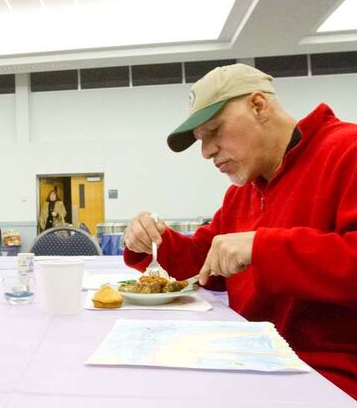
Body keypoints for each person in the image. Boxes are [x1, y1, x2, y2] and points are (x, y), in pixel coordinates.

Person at [123, 63, 357, 399]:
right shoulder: (242, 193)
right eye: (201, 140)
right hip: (250, 364)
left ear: (259, 105)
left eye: (214, 131)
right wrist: (155, 240)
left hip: (326, 375)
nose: (206, 152)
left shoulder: (347, 151)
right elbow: (208, 265)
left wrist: (264, 249)